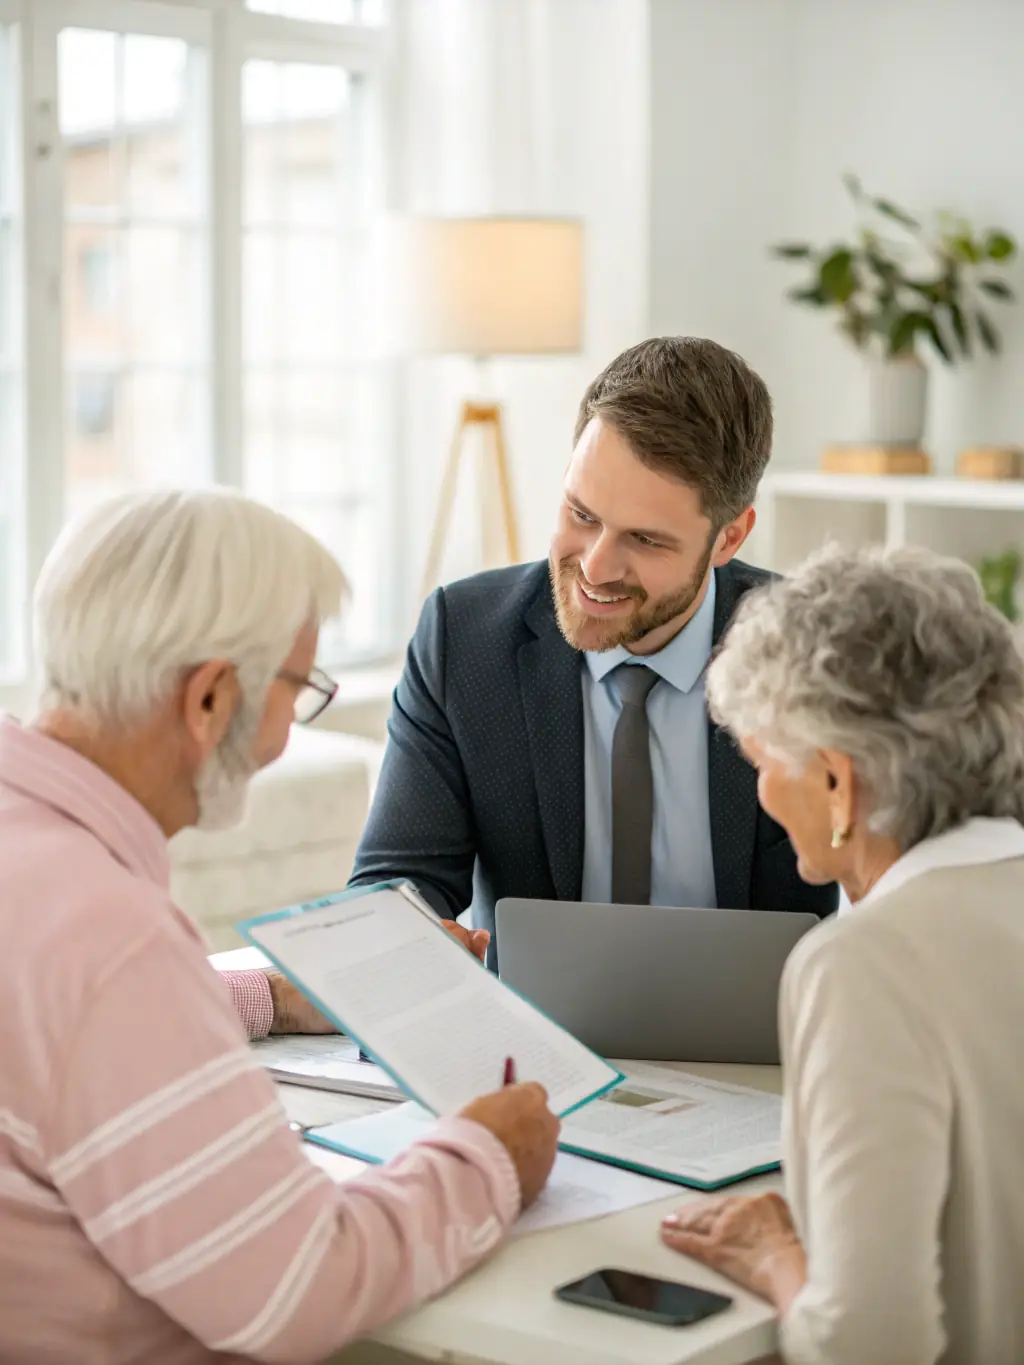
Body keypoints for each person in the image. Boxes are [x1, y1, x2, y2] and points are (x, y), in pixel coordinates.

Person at [0, 488, 559, 1364]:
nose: (285, 736)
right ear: (211, 699)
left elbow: (49, 1038)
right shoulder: (116, 943)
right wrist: (490, 1157)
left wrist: (269, 996)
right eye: (298, 689)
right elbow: (299, 1288)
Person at [352, 337, 836, 971]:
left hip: (764, 1049)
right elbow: (395, 879)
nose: (596, 567)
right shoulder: (464, 639)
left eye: (645, 539)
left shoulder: (818, 652)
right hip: (532, 1045)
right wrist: (411, 936)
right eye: (582, 514)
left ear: (729, 538)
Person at [658, 543, 1024, 1365]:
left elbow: (868, 1344)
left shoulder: (862, 965)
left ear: (838, 783)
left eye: (762, 762)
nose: (759, 792)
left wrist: (776, 1259)